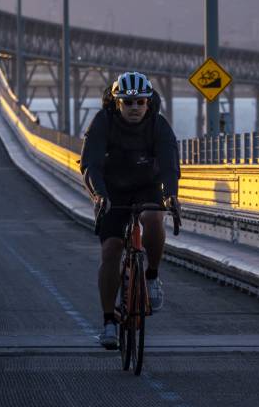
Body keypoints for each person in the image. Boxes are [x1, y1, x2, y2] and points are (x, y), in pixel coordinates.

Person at [80, 71, 180, 349]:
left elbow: (170, 164)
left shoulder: (158, 126)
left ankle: (152, 277)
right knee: (111, 249)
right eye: (127, 102)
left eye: (140, 103)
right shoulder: (102, 123)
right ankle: (109, 322)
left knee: (153, 217)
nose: (134, 108)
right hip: (111, 191)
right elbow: (90, 165)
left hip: (146, 185)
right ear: (116, 102)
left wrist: (170, 195)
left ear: (149, 103)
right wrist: (99, 196)